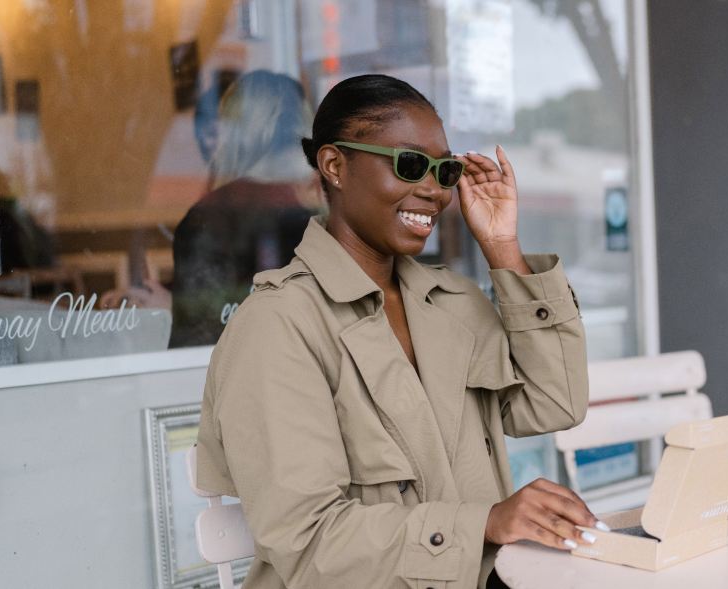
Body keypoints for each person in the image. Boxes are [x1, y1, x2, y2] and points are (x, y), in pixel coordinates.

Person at [193, 74, 598, 589]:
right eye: (409, 165)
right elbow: (310, 540)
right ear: (335, 166)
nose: (432, 190)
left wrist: (502, 247)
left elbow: (555, 402)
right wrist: (487, 523)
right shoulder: (277, 326)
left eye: (444, 170)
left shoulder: (452, 303)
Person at [169, 71, 318, 346]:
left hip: (250, 377)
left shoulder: (217, 213)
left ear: (238, 131)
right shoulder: (336, 204)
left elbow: (198, 338)